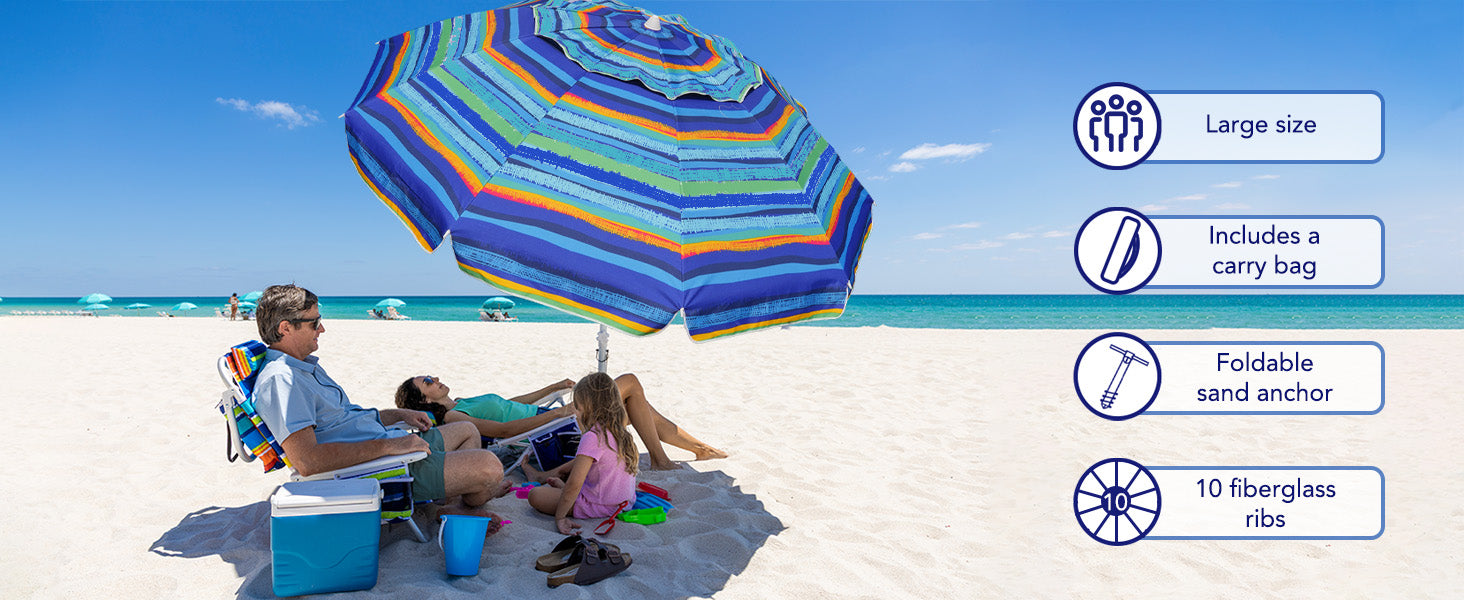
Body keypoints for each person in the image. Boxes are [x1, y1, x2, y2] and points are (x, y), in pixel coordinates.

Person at [250, 284, 511, 524]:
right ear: (286, 328)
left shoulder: (302, 367)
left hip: (386, 445)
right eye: (314, 322)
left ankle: (449, 505)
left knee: (467, 430)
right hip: (379, 468)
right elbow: (308, 461)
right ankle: (463, 505)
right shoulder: (281, 380)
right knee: (490, 467)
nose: (322, 329)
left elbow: (344, 420)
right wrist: (390, 447)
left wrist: (397, 414)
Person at [395, 372, 726, 471]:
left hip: (552, 420)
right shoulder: (455, 417)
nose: (435, 378)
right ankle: (666, 458)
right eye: (428, 382)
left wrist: (551, 388)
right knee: (629, 383)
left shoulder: (464, 402)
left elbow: (511, 405)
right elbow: (504, 431)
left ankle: (696, 450)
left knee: (634, 403)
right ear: (424, 401)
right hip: (552, 431)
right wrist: (556, 413)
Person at [526, 372, 639, 534]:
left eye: (578, 408)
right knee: (568, 482)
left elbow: (574, 484)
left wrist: (560, 517)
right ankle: (563, 490)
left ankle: (564, 494)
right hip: (624, 503)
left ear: (589, 408)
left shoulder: (593, 437)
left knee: (535, 495)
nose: (576, 413)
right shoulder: (621, 432)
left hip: (598, 505)